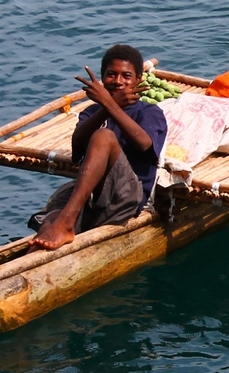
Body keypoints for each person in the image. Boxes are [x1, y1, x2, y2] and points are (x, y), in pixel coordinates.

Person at [28, 44, 167, 250]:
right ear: (102, 78)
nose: (118, 81)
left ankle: (67, 223)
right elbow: (77, 149)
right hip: (89, 195)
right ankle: (50, 236)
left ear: (138, 79)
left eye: (126, 76)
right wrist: (105, 108)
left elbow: (143, 143)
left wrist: (111, 105)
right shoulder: (93, 112)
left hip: (126, 197)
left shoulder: (149, 112)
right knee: (49, 223)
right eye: (111, 75)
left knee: (103, 136)